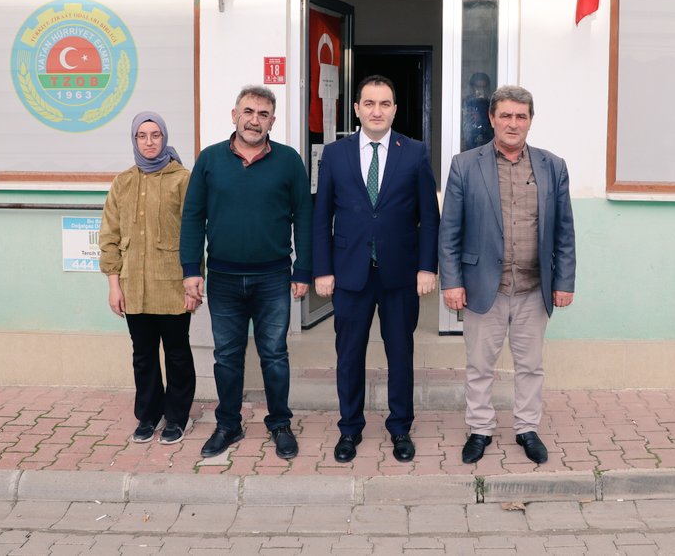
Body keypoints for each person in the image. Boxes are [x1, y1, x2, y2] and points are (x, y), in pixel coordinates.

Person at [439, 84, 576, 465]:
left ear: (530, 121)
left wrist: (564, 282)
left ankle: (526, 428)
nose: (513, 123)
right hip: (485, 286)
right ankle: (479, 429)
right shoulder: (465, 165)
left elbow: (565, 230)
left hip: (535, 288)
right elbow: (449, 230)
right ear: (491, 119)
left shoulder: (553, 166)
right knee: (480, 365)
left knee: (530, 366)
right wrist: (451, 281)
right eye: (506, 115)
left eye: (521, 116)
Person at [313, 74, 440, 463]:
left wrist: (426, 267)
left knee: (400, 352)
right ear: (356, 109)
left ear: (395, 110)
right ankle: (349, 429)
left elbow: (429, 217)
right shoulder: (335, 155)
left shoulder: (414, 152)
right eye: (369, 103)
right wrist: (322, 269)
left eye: (385, 104)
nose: (377, 111)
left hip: (400, 274)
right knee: (349, 354)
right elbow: (321, 216)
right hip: (349, 273)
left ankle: (400, 427)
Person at [180, 85, 311, 460]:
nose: (255, 120)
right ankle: (228, 425)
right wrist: (192, 270)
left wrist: (302, 269)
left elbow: (303, 216)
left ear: (273, 120)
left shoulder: (288, 161)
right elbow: (192, 217)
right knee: (227, 356)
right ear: (234, 114)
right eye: (249, 112)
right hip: (222, 278)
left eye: (263, 114)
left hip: (273, 278)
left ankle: (280, 424)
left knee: (274, 354)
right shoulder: (209, 160)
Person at [99, 111, 197, 445]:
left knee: (177, 353)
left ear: (165, 137)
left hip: (171, 286)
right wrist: (114, 286)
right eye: (142, 136)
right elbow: (109, 236)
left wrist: (193, 282)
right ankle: (149, 414)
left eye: (155, 135)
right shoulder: (123, 182)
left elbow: (195, 235)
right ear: (134, 140)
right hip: (133, 287)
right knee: (142, 354)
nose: (150, 141)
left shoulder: (182, 178)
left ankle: (177, 416)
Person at [461, 72, 493, 150]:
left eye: (484, 87)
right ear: (472, 88)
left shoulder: (492, 105)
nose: (480, 90)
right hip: (466, 146)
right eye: (477, 87)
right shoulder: (464, 104)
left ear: (488, 88)